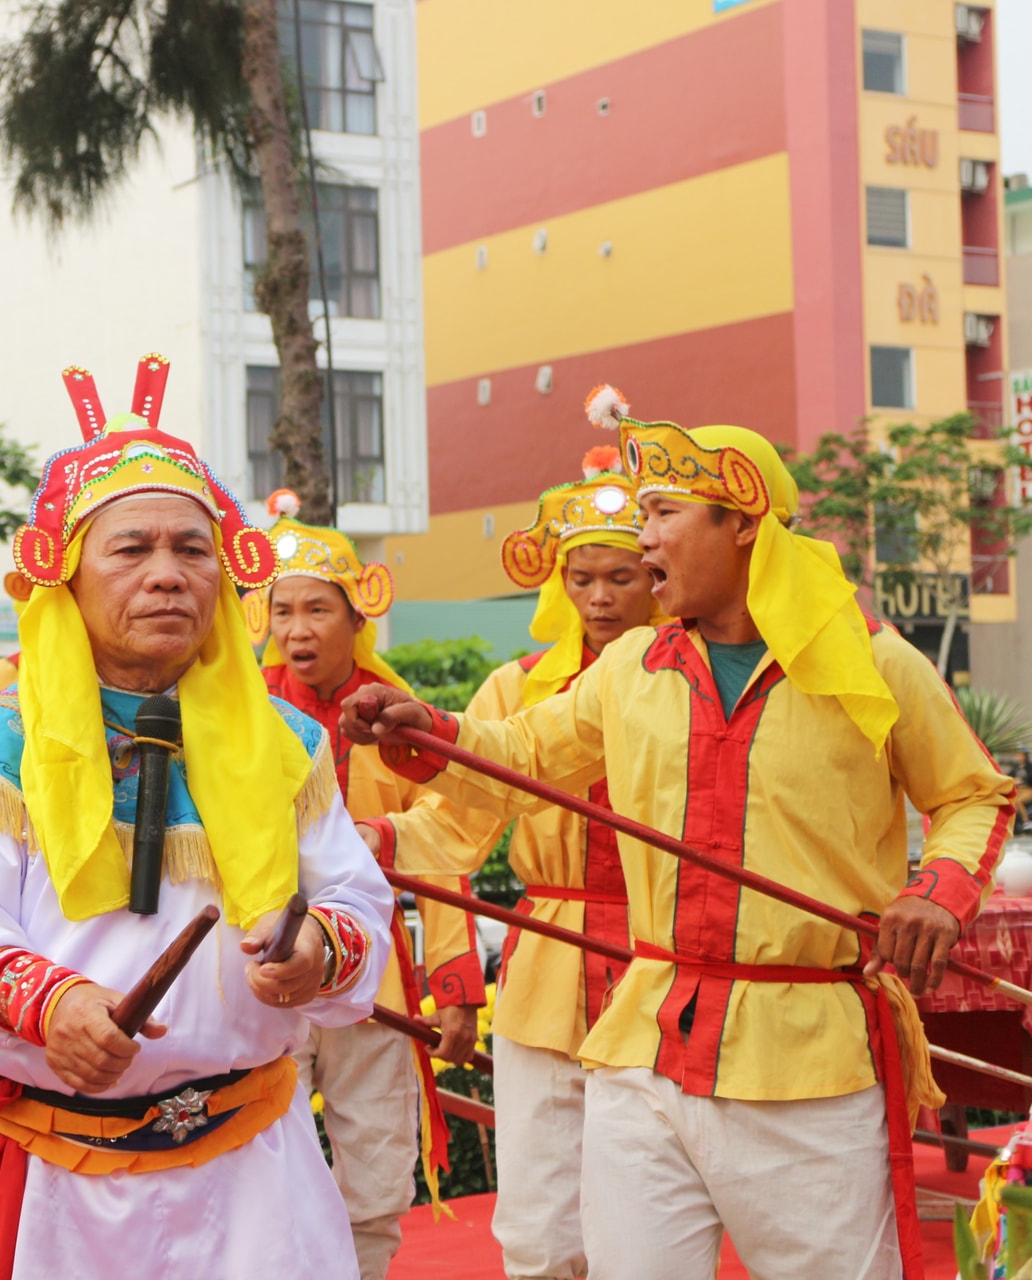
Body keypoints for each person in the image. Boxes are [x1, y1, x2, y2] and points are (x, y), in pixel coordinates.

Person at [341, 385, 1016, 1280]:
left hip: (806, 1053)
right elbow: (522, 752)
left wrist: (937, 891)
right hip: (646, 1045)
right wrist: (422, 725)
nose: (644, 538)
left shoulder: (874, 657)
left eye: (661, 514)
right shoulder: (632, 665)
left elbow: (975, 793)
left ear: (741, 523)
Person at [0, 356, 395, 1279]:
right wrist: (55, 1005)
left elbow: (356, 902)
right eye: (132, 549)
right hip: (60, 1184)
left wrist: (317, 954)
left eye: (192, 548)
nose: (168, 575)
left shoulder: (288, 745)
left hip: (258, 1175)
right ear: (69, 576)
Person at [363, 444, 658, 1279]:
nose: (598, 598)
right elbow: (458, 824)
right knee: (537, 1217)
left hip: (664, 956)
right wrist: (375, 842)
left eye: (621, 577)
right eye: (581, 577)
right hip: (550, 960)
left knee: (651, 1216)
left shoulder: (692, 685)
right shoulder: (517, 687)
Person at [245, 489, 483, 1280]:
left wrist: (454, 985)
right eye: (283, 611)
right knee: (255, 1150)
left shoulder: (398, 719)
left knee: (377, 1165)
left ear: (357, 618)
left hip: (372, 975)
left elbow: (445, 848)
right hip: (259, 969)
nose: (298, 629)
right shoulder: (233, 717)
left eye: (318, 609)